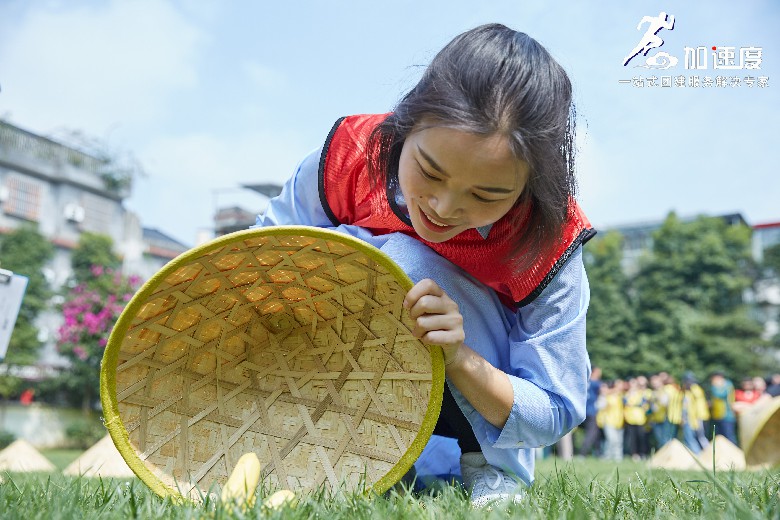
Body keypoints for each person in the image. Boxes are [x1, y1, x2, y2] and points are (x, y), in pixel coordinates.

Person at [255, 24, 594, 506]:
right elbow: (260, 255)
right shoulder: (349, 157)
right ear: (404, 126)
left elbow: (556, 408)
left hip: (461, 412)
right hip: (336, 394)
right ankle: (337, 449)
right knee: (374, 253)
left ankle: (489, 469)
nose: (443, 206)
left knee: (413, 264)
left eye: (487, 195)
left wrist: (458, 356)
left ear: (530, 186)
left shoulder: (549, 241)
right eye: (429, 171)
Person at [578, 366, 603, 457]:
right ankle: (582, 453)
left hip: (584, 410)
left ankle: (598, 452)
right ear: (594, 372)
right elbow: (604, 391)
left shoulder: (585, 382)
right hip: (592, 411)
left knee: (596, 432)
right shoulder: (596, 383)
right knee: (591, 433)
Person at [708, 372, 737, 445]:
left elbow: (719, 395)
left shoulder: (727, 385)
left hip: (727, 415)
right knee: (719, 438)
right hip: (717, 416)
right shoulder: (717, 386)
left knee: (729, 437)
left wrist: (715, 387)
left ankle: (733, 454)